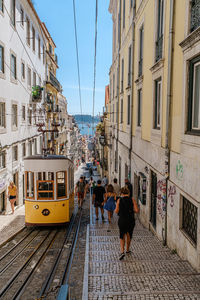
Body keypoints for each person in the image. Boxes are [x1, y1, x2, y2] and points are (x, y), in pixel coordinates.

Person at [115, 186, 139, 260]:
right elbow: (137, 210)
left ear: (121, 193)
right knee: (129, 235)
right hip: (130, 220)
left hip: (122, 219)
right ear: (128, 193)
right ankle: (127, 250)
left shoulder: (119, 200)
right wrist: (131, 210)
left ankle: (122, 252)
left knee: (122, 235)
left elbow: (116, 211)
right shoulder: (132, 199)